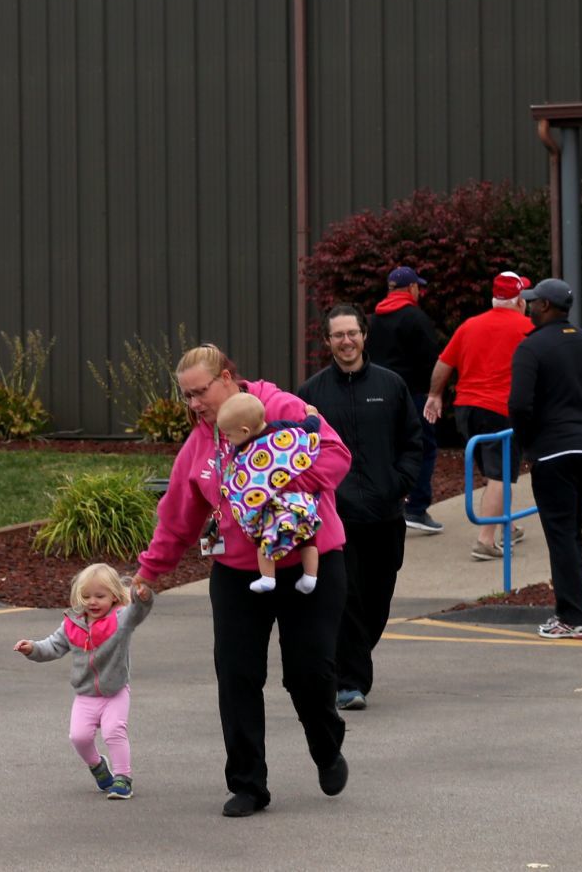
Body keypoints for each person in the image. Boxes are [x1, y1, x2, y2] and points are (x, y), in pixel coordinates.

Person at [135, 344, 353, 818]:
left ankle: (325, 744)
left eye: (200, 392)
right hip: (238, 571)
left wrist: (275, 479)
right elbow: (178, 516)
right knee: (237, 676)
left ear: (228, 378)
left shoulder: (281, 409)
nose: (193, 403)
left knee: (308, 672)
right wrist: (150, 571)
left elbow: (336, 456)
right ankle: (248, 784)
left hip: (307, 563)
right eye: (186, 396)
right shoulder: (200, 444)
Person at [298, 304, 423, 712]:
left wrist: (400, 482)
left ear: (364, 335)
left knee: (378, 599)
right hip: (337, 516)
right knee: (347, 597)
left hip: (385, 514)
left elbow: (412, 441)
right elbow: (297, 451)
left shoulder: (390, 385)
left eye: (352, 333)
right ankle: (350, 681)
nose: (346, 341)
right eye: (338, 335)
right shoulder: (312, 394)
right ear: (328, 341)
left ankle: (350, 661)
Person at [509, 278, 582, 640]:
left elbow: (520, 405)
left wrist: (528, 444)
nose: (529, 305)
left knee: (561, 535)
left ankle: (573, 617)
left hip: (552, 449)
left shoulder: (532, 347)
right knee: (571, 532)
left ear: (546, 307)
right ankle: (575, 612)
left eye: (534, 301)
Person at [14, 563, 156, 799]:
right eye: (86, 596)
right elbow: (53, 646)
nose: (92, 602)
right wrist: (32, 649)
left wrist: (143, 598)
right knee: (78, 737)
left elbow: (138, 612)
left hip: (115, 692)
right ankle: (98, 768)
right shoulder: (73, 623)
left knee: (114, 732)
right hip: (85, 694)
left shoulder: (120, 619)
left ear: (113, 596)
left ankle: (123, 778)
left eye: (100, 596)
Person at [425, 270, 536, 560]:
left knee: (494, 472)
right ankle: (485, 540)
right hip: (501, 410)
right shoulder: (527, 328)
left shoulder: (469, 326)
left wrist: (435, 395)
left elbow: (443, 363)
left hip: (467, 410)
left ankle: (507, 525)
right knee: (501, 475)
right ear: (520, 300)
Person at [215, 392, 324, 595]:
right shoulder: (282, 429)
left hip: (269, 509)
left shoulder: (242, 450)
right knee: (308, 537)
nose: (227, 440)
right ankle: (310, 576)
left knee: (263, 539)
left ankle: (267, 578)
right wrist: (312, 414)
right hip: (298, 502)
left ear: (245, 430)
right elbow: (308, 430)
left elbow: (240, 477)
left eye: (228, 435)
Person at [368, 266, 443, 533]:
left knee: (386, 451)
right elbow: (430, 359)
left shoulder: (372, 320)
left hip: (377, 394)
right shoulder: (415, 318)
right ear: (411, 288)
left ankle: (386, 505)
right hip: (413, 394)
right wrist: (434, 393)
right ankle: (416, 508)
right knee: (422, 447)